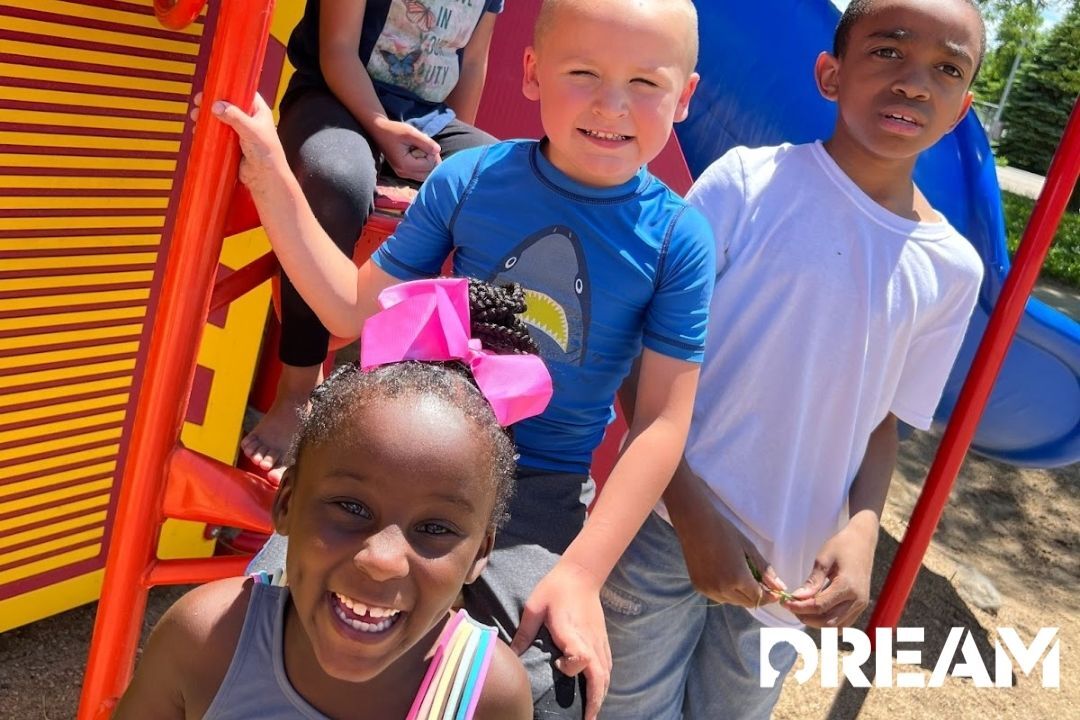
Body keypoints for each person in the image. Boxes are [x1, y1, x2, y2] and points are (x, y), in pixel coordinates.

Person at [207, 0, 712, 716]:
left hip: (541, 487)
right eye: (583, 72)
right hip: (418, 452)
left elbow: (661, 421)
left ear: (685, 96)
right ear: (532, 73)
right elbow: (353, 307)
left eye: (644, 83)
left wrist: (582, 575)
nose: (611, 104)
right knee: (275, 614)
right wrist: (272, 179)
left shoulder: (679, 239)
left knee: (550, 684)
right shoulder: (471, 178)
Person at [601, 0, 987, 717]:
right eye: (888, 52)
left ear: (962, 109)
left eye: (945, 69)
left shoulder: (954, 270)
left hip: (790, 575)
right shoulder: (743, 185)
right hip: (662, 527)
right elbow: (638, 359)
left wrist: (863, 529)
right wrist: (689, 514)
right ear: (830, 73)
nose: (912, 83)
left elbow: (884, 424)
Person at [114, 278, 550, 720]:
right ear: (285, 503)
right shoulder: (206, 641)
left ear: (481, 553)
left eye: (435, 529)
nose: (383, 559)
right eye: (352, 507)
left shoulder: (487, 697)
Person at [243, 0, 504, 481]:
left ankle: (432, 404)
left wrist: (446, 162)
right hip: (334, 99)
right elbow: (337, 48)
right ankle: (297, 387)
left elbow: (472, 62)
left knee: (504, 191)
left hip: (430, 121)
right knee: (335, 178)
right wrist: (383, 131)